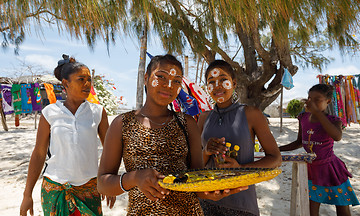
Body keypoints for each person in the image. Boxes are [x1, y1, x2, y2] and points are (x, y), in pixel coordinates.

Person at [97, 54, 247, 215]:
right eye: (161, 77)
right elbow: (103, 184)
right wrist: (134, 178)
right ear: (146, 78)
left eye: (176, 81)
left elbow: (195, 179)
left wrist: (213, 192)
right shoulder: (122, 123)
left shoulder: (187, 123)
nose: (169, 85)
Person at [20, 55, 115, 216]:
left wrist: (110, 181)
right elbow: (39, 153)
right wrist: (27, 194)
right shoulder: (50, 112)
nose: (87, 84)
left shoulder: (98, 112)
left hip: (89, 190)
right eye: (81, 79)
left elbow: (109, 150)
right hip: (55, 189)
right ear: (66, 83)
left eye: (89, 79)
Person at [197, 60, 282, 216]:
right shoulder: (203, 118)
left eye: (223, 79)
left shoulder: (251, 114)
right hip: (207, 201)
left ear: (234, 83)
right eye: (211, 82)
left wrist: (241, 169)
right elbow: (195, 165)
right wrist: (206, 151)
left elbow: (275, 159)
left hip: (241, 204)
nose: (217, 85)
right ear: (206, 87)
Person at [279, 84, 359, 216]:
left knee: (342, 205)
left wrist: (318, 113)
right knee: (311, 207)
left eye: (317, 100)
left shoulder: (334, 121)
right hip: (312, 171)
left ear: (328, 101)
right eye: (309, 98)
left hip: (332, 170)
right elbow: (299, 142)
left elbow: (337, 136)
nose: (311, 102)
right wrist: (276, 149)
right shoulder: (303, 118)